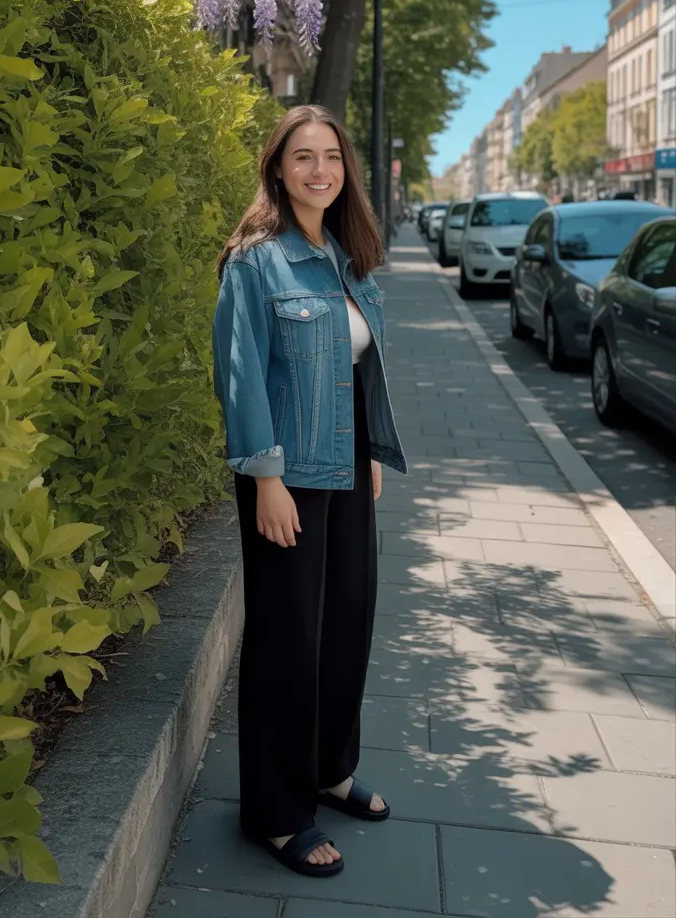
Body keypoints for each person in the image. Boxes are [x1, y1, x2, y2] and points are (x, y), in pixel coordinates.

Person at [212, 104, 407, 879]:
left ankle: (329, 770)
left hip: (347, 466)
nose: (319, 170)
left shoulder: (346, 256)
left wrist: (371, 454)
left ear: (345, 171)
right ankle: (277, 812)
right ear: (277, 168)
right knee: (286, 643)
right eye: (303, 157)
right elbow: (241, 378)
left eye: (331, 157)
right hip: (285, 475)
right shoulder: (256, 259)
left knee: (348, 621)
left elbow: (358, 364)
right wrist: (265, 477)